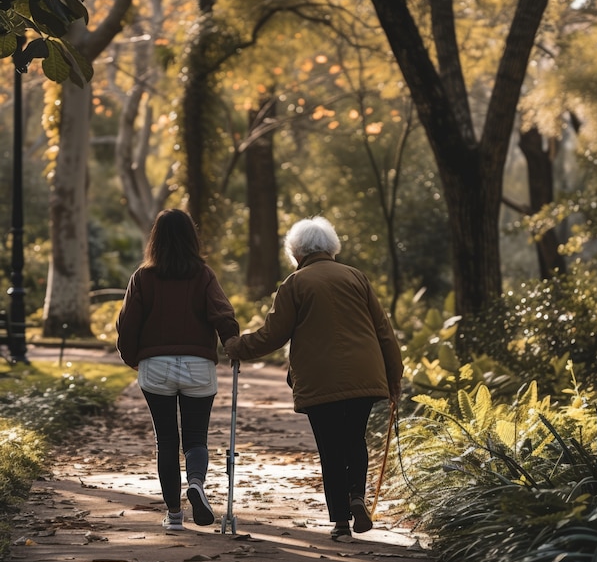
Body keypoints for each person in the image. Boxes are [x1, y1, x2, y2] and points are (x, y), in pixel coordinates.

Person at [224, 216, 403, 540]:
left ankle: (340, 523)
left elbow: (273, 335)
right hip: (365, 373)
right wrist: (395, 379)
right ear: (331, 247)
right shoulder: (356, 278)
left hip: (321, 380)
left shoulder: (296, 283)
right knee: (354, 440)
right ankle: (356, 497)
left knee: (331, 448)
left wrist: (237, 347)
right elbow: (384, 333)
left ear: (296, 251)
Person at [116, 209, 239, 531]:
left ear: (155, 239)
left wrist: (132, 358)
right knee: (196, 438)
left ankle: (174, 516)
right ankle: (196, 483)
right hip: (198, 364)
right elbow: (222, 314)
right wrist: (232, 343)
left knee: (166, 441)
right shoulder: (203, 274)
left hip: (155, 366)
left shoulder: (143, 277)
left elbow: (127, 323)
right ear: (191, 238)